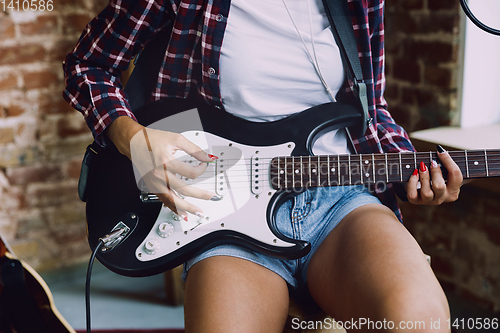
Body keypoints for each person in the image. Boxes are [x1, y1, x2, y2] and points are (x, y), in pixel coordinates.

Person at [63, 0, 463, 331]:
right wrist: (134, 139)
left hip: (339, 198)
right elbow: (87, 65)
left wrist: (411, 169)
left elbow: (371, 110)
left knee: (421, 322)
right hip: (225, 206)